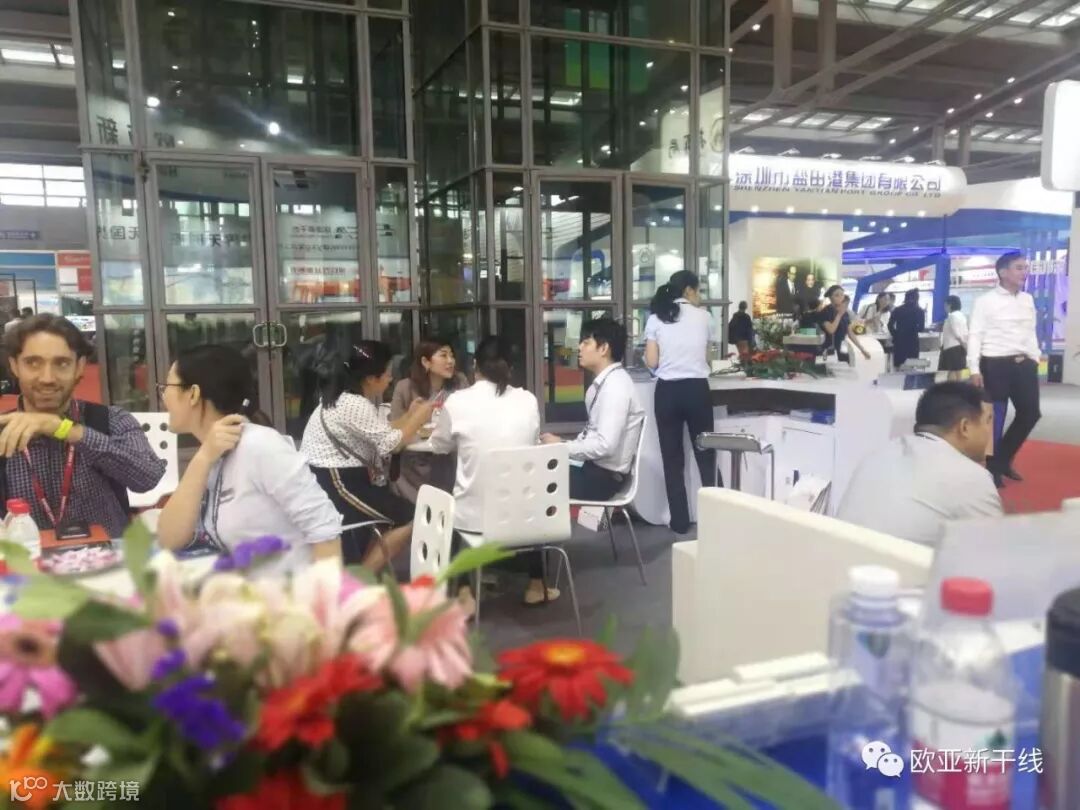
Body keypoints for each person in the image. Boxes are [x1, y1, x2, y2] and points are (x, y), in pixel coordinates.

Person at [156, 345, 342, 572]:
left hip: (287, 590)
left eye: (167, 386)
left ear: (193, 394)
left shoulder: (261, 446)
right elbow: (169, 538)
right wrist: (202, 459)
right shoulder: (212, 452)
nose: (163, 396)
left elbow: (325, 530)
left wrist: (325, 592)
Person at [0, 315, 164, 539]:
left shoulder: (111, 420)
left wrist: (68, 430)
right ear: (14, 365)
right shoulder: (3, 431)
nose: (47, 378)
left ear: (79, 367)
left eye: (62, 363)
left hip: (107, 556)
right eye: (33, 363)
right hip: (27, 557)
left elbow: (148, 477)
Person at [429, 336, 556, 605]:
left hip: (475, 520)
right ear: (511, 367)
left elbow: (439, 446)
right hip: (528, 519)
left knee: (451, 501)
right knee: (525, 489)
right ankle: (536, 584)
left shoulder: (458, 402)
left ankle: (464, 591)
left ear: (475, 365)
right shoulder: (527, 400)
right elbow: (532, 441)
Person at [300, 341, 435, 568]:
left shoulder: (342, 397)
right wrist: (419, 417)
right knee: (411, 517)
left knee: (402, 514)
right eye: (387, 373)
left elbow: (382, 432)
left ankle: (361, 572)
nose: (390, 378)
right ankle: (360, 578)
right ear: (371, 378)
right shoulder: (353, 404)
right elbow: (391, 445)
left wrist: (411, 416)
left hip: (334, 477)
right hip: (337, 482)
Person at [837, 382, 1002, 547]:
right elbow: (995, 552)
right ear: (964, 427)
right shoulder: (972, 478)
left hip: (836, 556)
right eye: (988, 421)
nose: (990, 430)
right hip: (895, 562)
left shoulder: (879, 454)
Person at [643, 270, 717, 536]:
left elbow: (652, 361)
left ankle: (680, 522)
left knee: (672, 459)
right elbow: (708, 358)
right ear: (688, 290)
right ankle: (717, 517)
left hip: (668, 392)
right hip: (697, 390)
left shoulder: (655, 318)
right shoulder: (705, 317)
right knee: (706, 455)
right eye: (698, 291)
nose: (700, 296)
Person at [540, 318, 645, 501]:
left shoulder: (616, 387)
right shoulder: (605, 383)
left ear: (603, 349)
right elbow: (593, 436)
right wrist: (560, 443)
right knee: (537, 465)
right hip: (594, 471)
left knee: (534, 477)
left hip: (602, 479)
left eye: (586, 342)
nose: (579, 347)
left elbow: (605, 446)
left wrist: (561, 446)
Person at [968, 251, 1041, 489]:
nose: (1024, 272)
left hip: (1025, 363)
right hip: (995, 363)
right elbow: (975, 334)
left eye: (1025, 268)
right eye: (1019, 268)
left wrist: (1034, 357)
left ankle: (1001, 460)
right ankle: (993, 468)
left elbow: (1030, 331)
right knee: (995, 417)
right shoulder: (985, 301)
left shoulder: (1027, 299)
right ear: (1003, 272)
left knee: (1031, 413)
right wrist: (974, 368)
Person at [389, 339, 467, 502]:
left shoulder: (459, 384)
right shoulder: (405, 388)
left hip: (450, 460)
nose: (450, 361)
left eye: (452, 356)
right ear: (425, 362)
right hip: (413, 466)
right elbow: (392, 433)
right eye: (443, 356)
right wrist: (412, 417)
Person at [817, 286, 871, 363]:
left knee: (848, 362)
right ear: (830, 298)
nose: (840, 297)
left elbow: (850, 332)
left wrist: (862, 349)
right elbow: (831, 330)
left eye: (842, 295)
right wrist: (839, 315)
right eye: (836, 295)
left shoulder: (845, 313)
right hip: (827, 350)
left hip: (839, 349)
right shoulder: (825, 312)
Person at [889, 289, 925, 368]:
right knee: (912, 366)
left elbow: (890, 325)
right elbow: (921, 328)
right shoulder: (920, 311)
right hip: (913, 341)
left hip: (899, 342)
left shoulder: (897, 310)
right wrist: (913, 330)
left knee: (899, 366)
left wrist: (895, 334)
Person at [939, 295, 969, 382]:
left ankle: (953, 387)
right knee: (957, 370)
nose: (945, 307)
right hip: (958, 347)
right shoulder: (962, 316)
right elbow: (965, 332)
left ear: (950, 305)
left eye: (945, 305)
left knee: (953, 371)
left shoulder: (952, 316)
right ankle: (955, 387)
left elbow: (957, 333)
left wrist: (964, 345)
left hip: (952, 347)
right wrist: (965, 345)